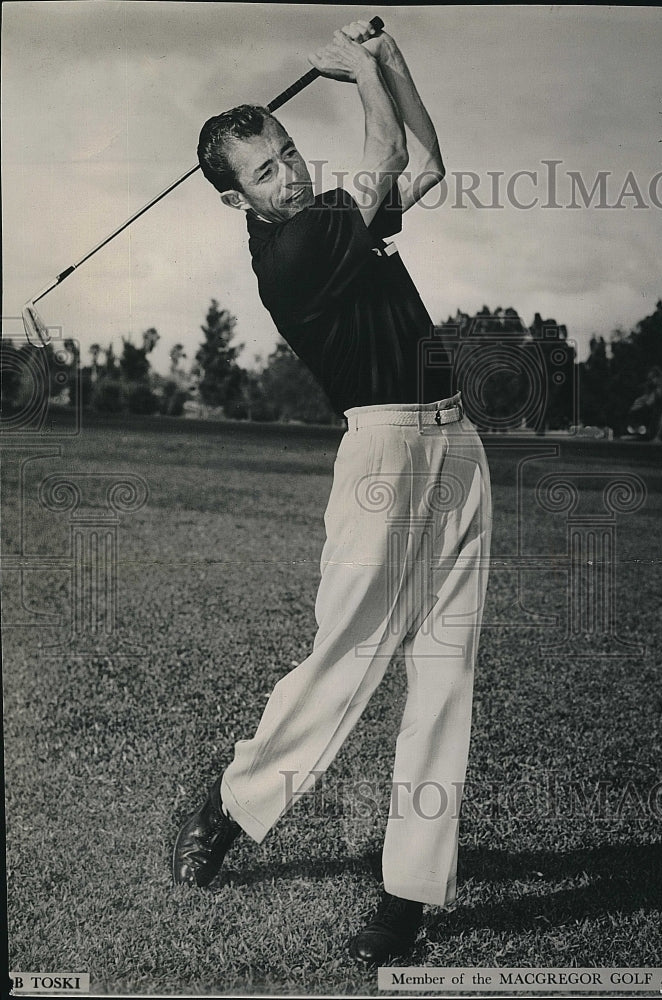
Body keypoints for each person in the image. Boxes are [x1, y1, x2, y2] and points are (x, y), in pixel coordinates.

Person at [173, 19, 493, 965]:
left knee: (446, 672)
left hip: (455, 442)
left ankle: (406, 897)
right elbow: (386, 146)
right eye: (266, 171)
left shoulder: (324, 218)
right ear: (239, 200)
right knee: (348, 655)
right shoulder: (293, 252)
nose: (292, 172)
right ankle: (236, 800)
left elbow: (423, 166)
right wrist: (352, 67)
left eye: (287, 151)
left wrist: (388, 61)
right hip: (384, 452)